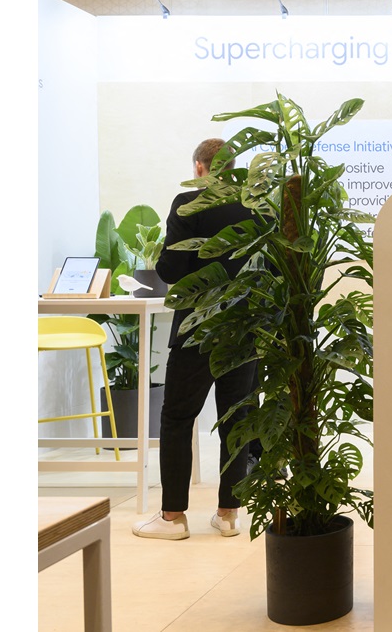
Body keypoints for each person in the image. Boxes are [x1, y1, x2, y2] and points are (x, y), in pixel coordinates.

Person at [132, 138, 259, 540]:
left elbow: (170, 269)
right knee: (236, 419)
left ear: (200, 168)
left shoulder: (189, 204)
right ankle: (228, 514)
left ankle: (172, 517)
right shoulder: (258, 205)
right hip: (244, 327)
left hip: (199, 329)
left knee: (176, 418)